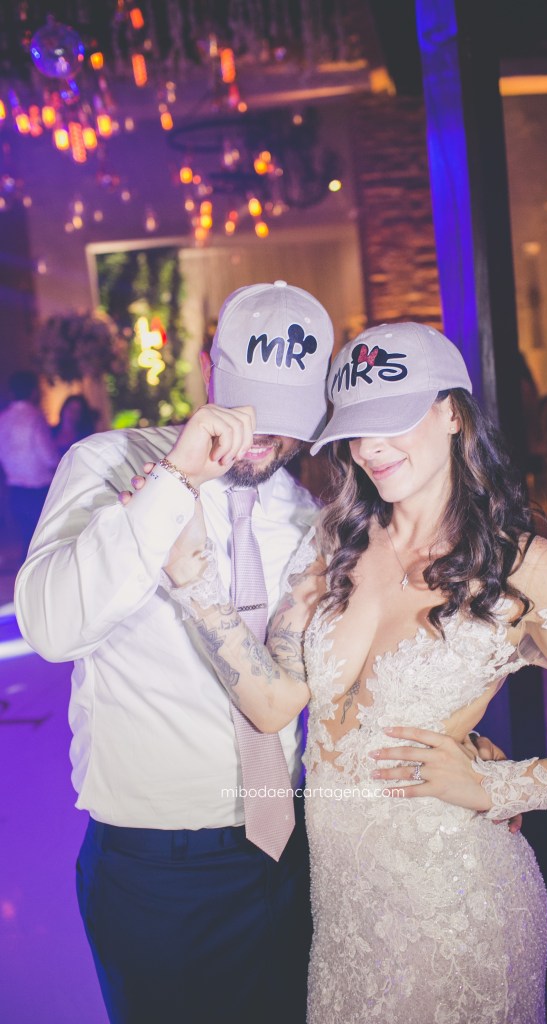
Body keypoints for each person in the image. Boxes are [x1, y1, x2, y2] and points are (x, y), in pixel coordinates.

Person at [155, 321, 547, 1024]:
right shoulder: (333, 542)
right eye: (355, 428)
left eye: (391, 419)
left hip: (455, 903)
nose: (369, 448)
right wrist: (190, 579)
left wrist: (501, 785)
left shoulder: (522, 568)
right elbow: (274, 701)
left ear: (452, 413)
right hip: (343, 913)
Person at [14, 282, 333, 1024]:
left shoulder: (308, 515)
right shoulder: (107, 463)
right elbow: (51, 629)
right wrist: (175, 482)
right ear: (210, 372)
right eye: (249, 404)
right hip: (157, 867)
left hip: (291, 848)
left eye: (284, 412)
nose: (261, 433)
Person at [0, 370, 59, 558]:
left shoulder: (3, 418)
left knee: (27, 541)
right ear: (33, 391)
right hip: (38, 488)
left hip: (15, 489)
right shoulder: (34, 416)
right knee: (44, 541)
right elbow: (47, 455)